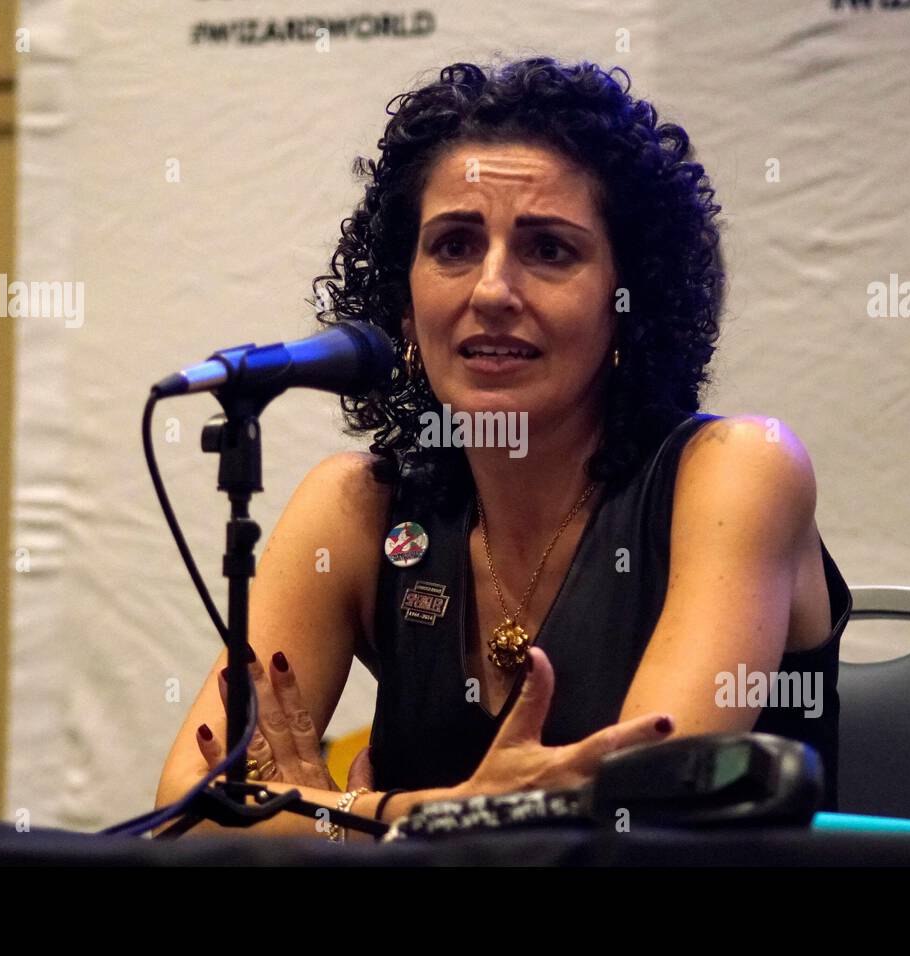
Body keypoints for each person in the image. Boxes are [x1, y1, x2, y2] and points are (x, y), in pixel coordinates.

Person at [155, 56, 852, 840]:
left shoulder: (739, 470)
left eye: (549, 250)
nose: (490, 291)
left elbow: (641, 821)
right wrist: (414, 816)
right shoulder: (359, 507)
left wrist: (337, 820)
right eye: (453, 245)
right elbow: (182, 819)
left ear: (631, 301)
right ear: (404, 303)